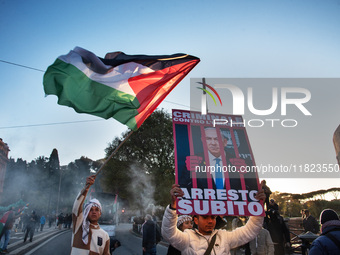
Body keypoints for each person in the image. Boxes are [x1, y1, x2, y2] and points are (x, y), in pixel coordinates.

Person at [161, 184, 265, 255]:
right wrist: (173, 207)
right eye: (205, 217)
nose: (210, 221)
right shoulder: (187, 238)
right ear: (196, 220)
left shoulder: (225, 237)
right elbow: (168, 233)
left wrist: (258, 206)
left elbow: (250, 231)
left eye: (213, 217)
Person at [70, 175, 110, 255]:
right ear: (86, 212)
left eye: (96, 210)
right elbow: (76, 208)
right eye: (90, 210)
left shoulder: (105, 235)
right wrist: (86, 187)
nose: (94, 212)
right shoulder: (79, 226)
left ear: (100, 213)